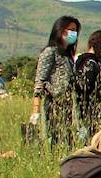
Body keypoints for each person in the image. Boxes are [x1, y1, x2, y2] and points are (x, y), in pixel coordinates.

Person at [31, 15, 79, 145]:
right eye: (70, 29)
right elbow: (40, 81)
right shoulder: (50, 52)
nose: (73, 33)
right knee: (55, 138)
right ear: (60, 30)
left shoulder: (67, 55)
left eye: (75, 30)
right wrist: (35, 111)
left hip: (68, 104)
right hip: (53, 103)